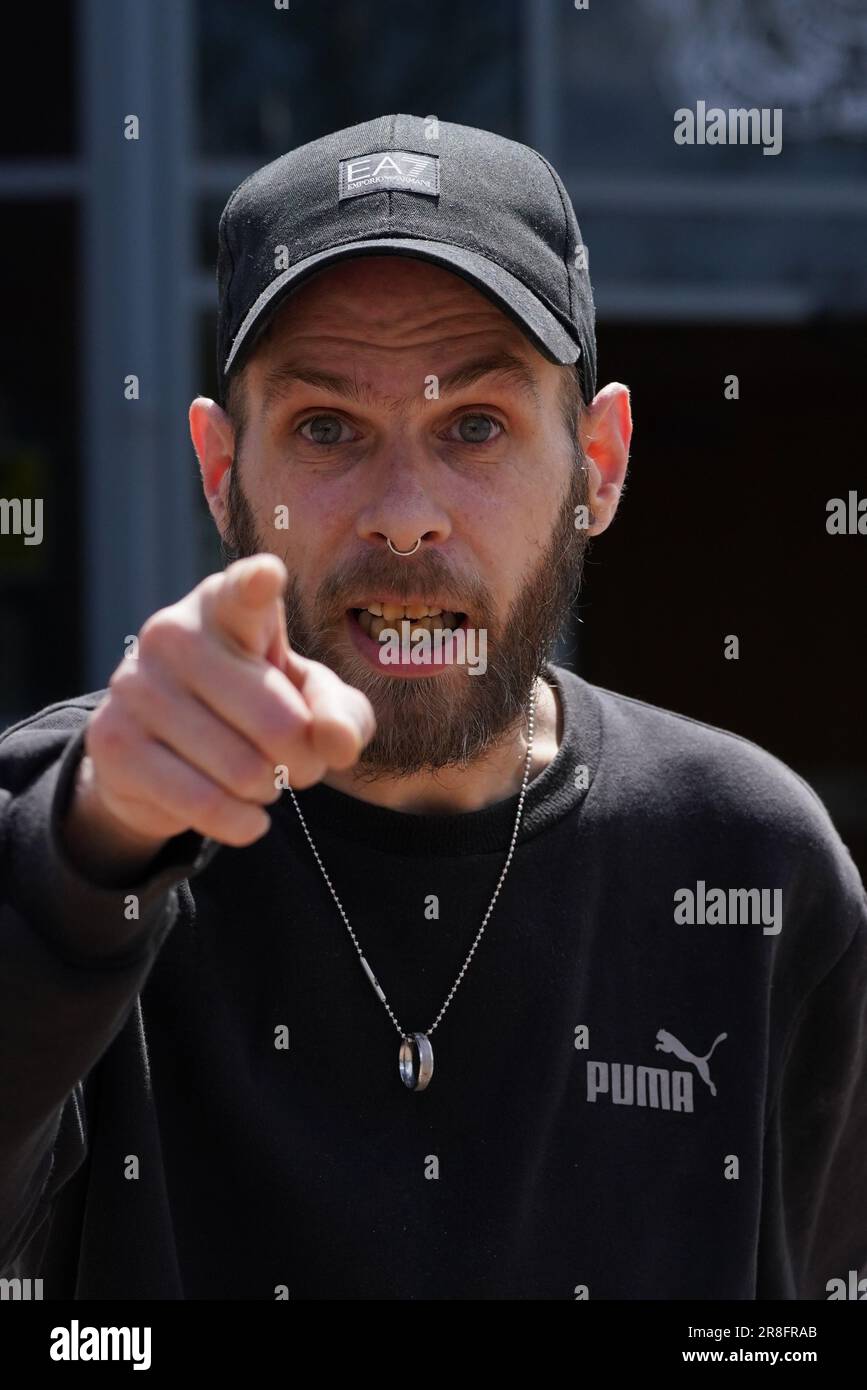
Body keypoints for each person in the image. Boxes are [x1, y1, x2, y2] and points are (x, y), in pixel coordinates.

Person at [1, 114, 865, 1301]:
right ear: (220, 471)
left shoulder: (749, 858)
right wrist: (93, 851)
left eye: (475, 425)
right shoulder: (73, 825)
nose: (405, 512)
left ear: (597, 466)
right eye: (325, 427)